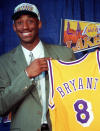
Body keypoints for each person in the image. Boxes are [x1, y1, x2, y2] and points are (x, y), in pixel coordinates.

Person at [0, 2, 75, 131]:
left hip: (61, 126)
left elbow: (79, 91)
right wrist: (26, 75)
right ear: (14, 27)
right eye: (19, 22)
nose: (25, 27)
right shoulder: (4, 62)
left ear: (39, 24)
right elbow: (1, 106)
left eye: (30, 21)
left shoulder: (65, 54)